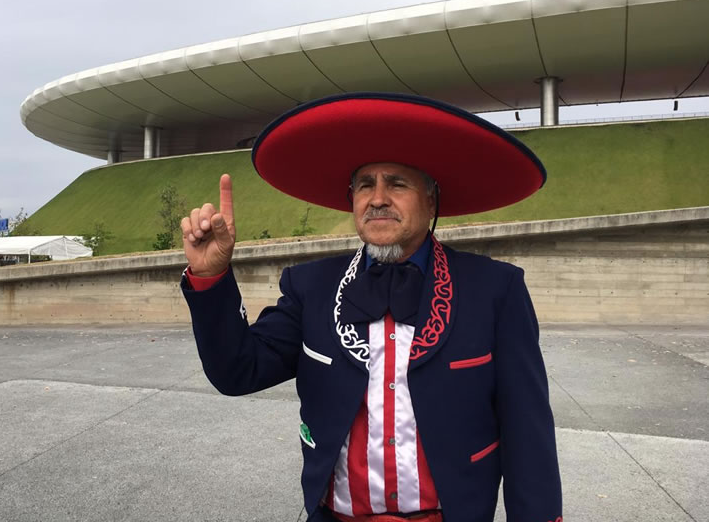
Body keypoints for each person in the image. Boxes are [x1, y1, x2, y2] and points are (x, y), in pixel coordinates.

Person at [180, 93, 562, 522]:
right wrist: (211, 277)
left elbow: (528, 433)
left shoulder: (495, 289)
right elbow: (237, 372)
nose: (378, 197)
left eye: (397, 183)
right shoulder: (311, 287)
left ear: (431, 201)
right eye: (365, 184)